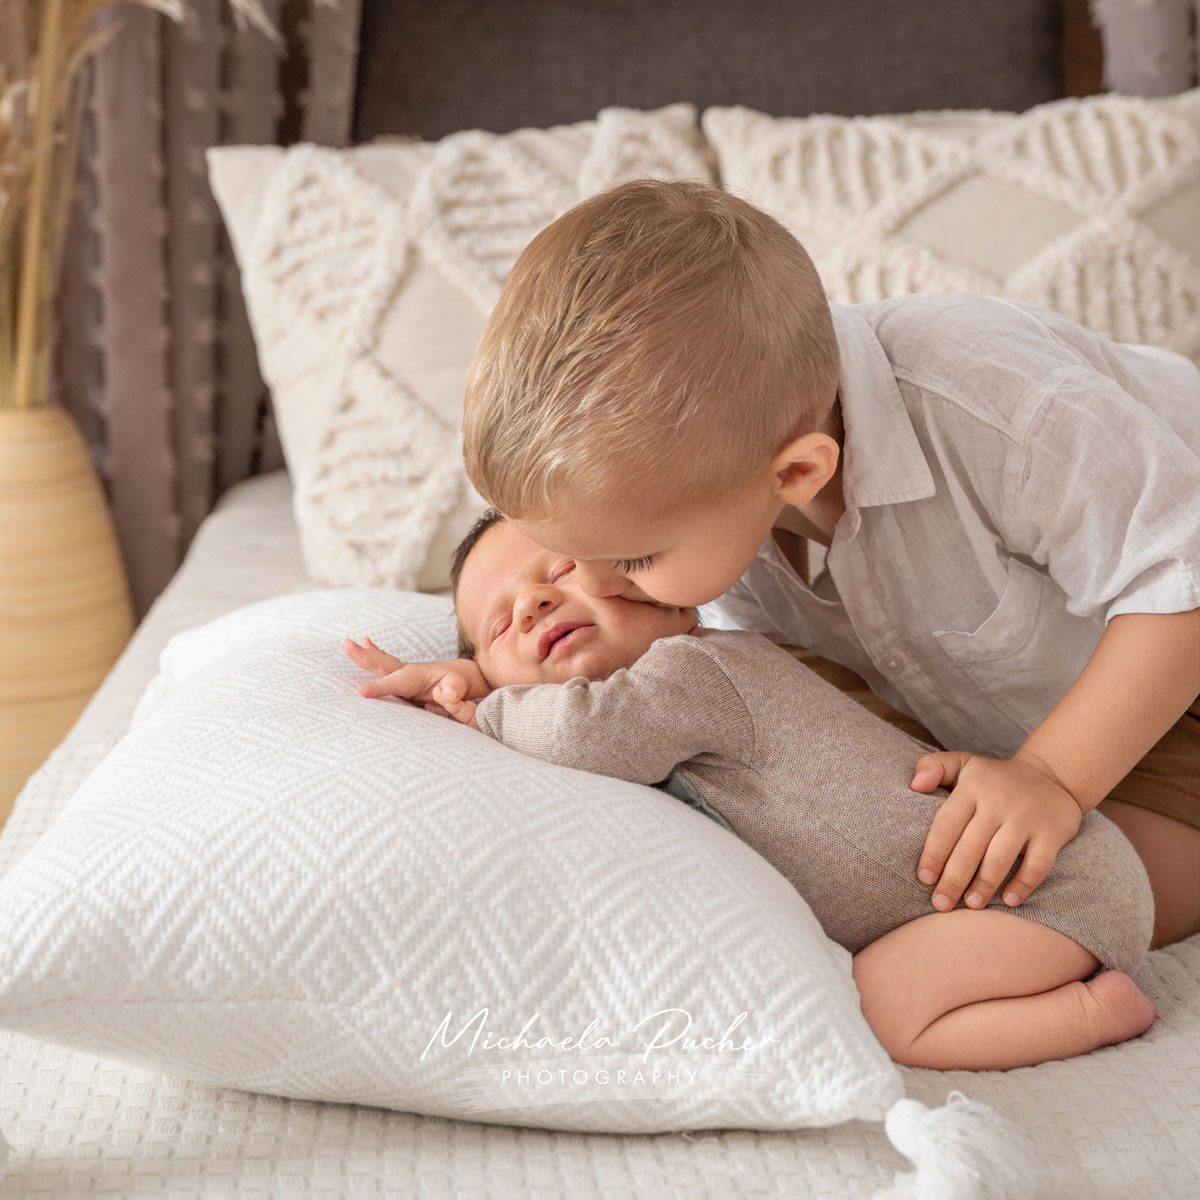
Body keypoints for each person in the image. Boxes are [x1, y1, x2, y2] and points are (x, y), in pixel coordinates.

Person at [454, 177, 1200, 950]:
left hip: (1167, 663)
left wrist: (1052, 776)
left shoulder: (988, 397)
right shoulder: (708, 483)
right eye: (566, 561)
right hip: (1008, 722)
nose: (598, 584)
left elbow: (1180, 580)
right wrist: (492, 676)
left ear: (798, 474)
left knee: (1081, 907)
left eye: (632, 558)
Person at [342, 512, 1157, 1072]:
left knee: (877, 1009)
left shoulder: (695, 670)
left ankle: (1094, 1013)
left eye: (557, 569)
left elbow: (583, 733)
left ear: (663, 588)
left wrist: (478, 700)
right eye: (497, 626)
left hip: (1038, 887)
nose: (533, 602)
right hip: (1001, 884)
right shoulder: (674, 684)